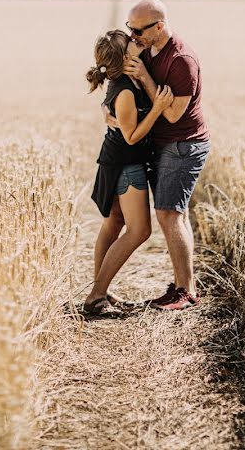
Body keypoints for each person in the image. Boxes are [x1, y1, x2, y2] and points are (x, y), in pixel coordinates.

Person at [119, 0, 211, 311]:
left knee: (169, 214)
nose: (134, 37)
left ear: (159, 26)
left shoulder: (181, 60)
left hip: (183, 144)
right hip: (168, 143)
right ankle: (184, 285)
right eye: (129, 29)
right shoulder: (151, 47)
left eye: (139, 31)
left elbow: (172, 115)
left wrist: (144, 76)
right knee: (176, 215)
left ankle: (184, 292)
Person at [84, 29, 174, 316]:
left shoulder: (129, 79)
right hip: (125, 164)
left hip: (117, 160)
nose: (138, 42)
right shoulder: (124, 89)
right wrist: (158, 107)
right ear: (124, 58)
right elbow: (132, 136)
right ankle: (96, 296)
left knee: (113, 225)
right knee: (140, 230)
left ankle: (101, 292)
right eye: (132, 42)